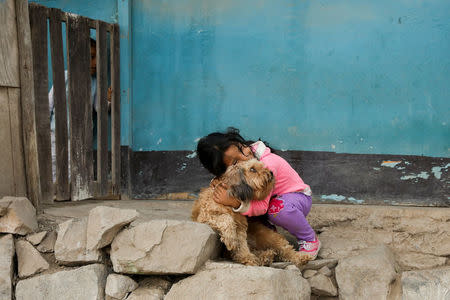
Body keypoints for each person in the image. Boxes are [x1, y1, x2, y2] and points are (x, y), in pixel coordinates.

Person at [196, 127, 320, 259]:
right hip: (274, 200)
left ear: (240, 142)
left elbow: (262, 207)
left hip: (297, 198)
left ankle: (309, 238)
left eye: (241, 148)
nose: (244, 156)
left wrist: (233, 202)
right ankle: (269, 235)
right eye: (235, 162)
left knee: (275, 209)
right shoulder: (242, 168)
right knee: (249, 207)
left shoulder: (267, 164)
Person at [49, 38, 111, 182]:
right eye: (91, 57)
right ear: (78, 58)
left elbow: (98, 107)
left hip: (82, 135)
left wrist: (108, 100)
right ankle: (54, 190)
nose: (95, 63)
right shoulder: (64, 76)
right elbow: (49, 103)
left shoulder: (94, 82)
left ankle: (70, 192)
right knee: (53, 161)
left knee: (75, 166)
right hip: (57, 132)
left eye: (97, 58)